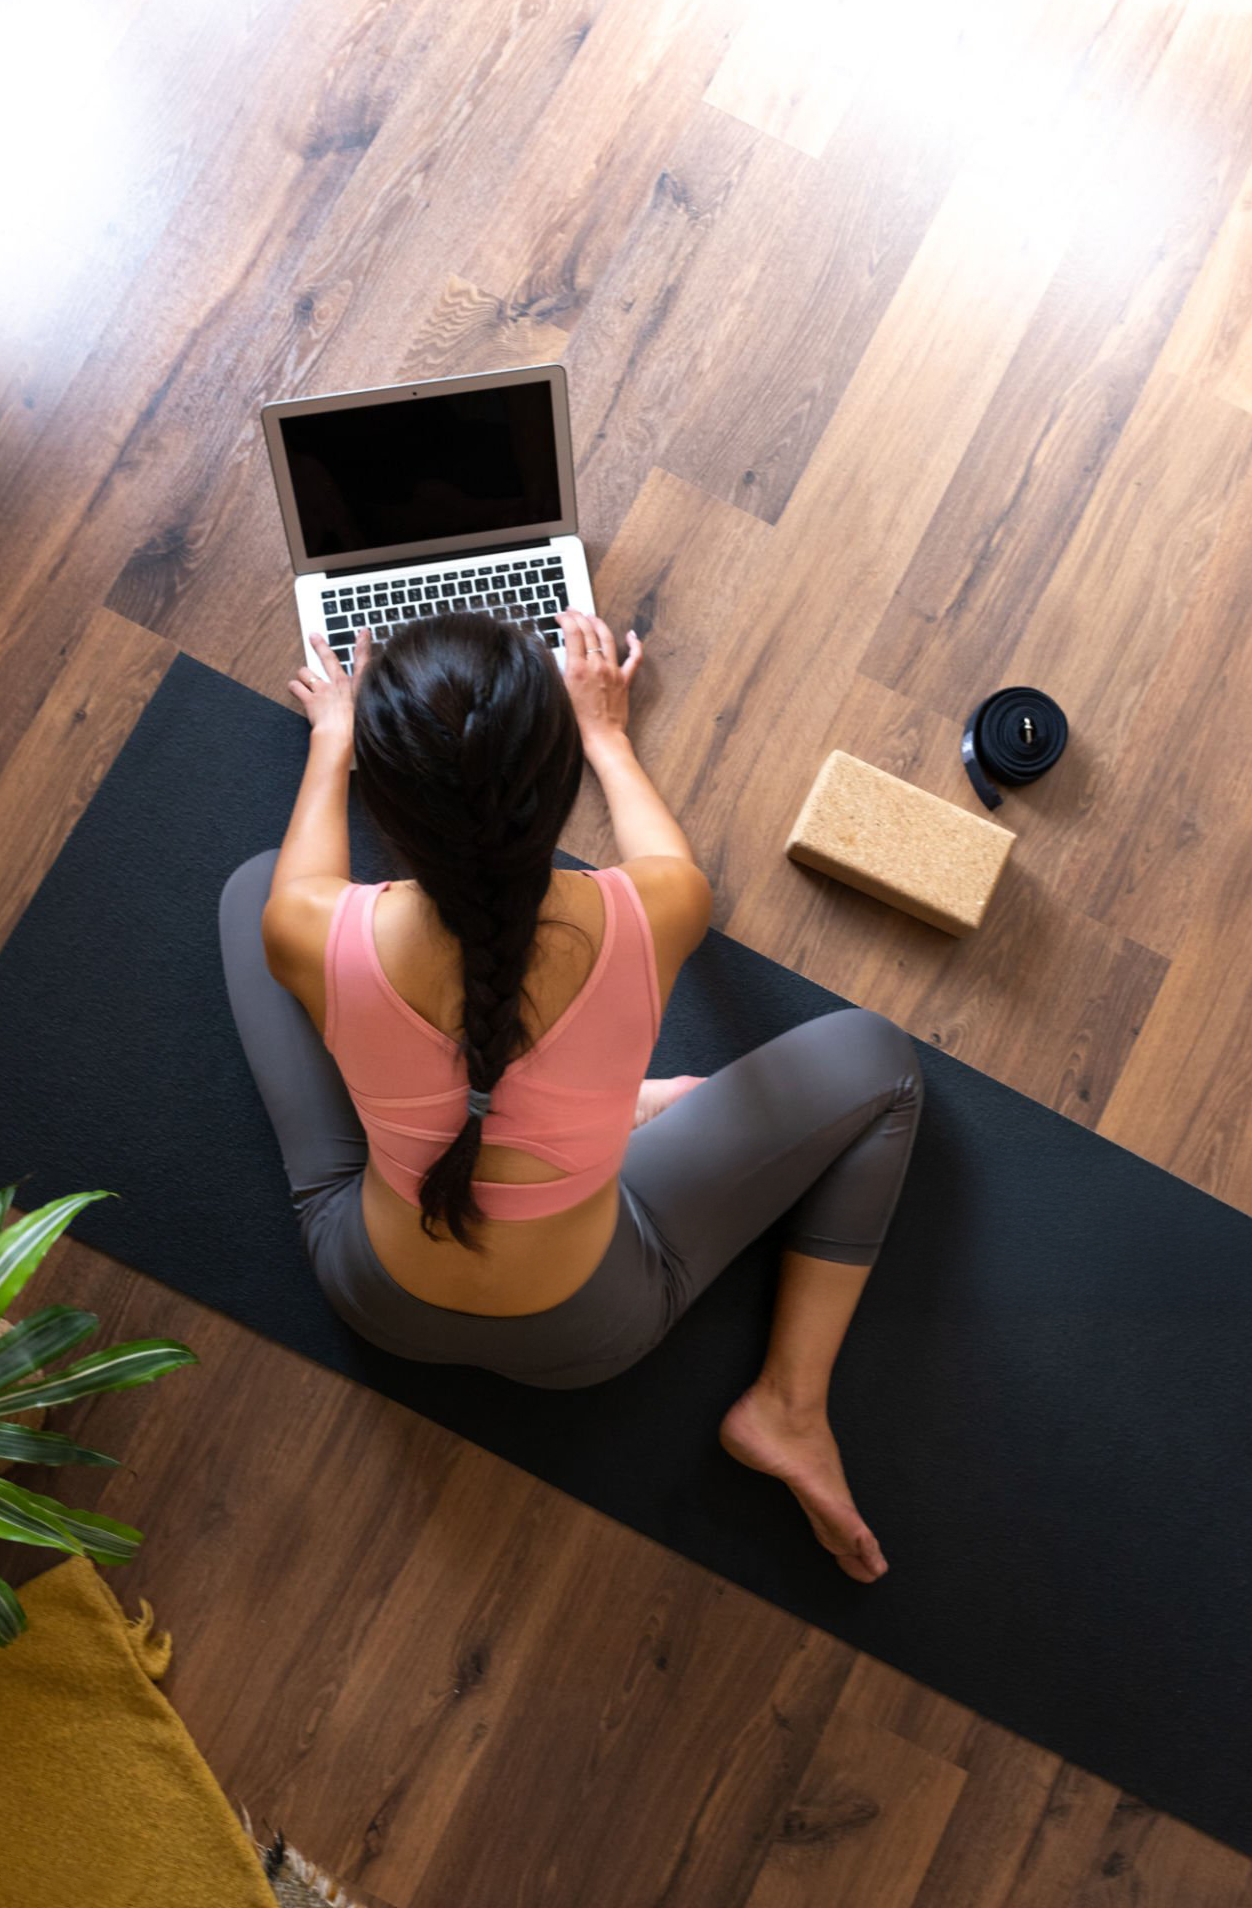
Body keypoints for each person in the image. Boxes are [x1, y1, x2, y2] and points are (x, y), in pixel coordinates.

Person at [218, 609, 924, 1583]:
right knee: (881, 1059)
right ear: (553, 791)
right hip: (589, 1328)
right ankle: (789, 1405)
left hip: (374, 1290)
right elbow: (662, 857)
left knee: (251, 890)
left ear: (383, 801)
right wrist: (606, 734)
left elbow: (302, 876)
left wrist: (338, 733)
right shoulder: (659, 910)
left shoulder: (309, 929)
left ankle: (594, 1110)